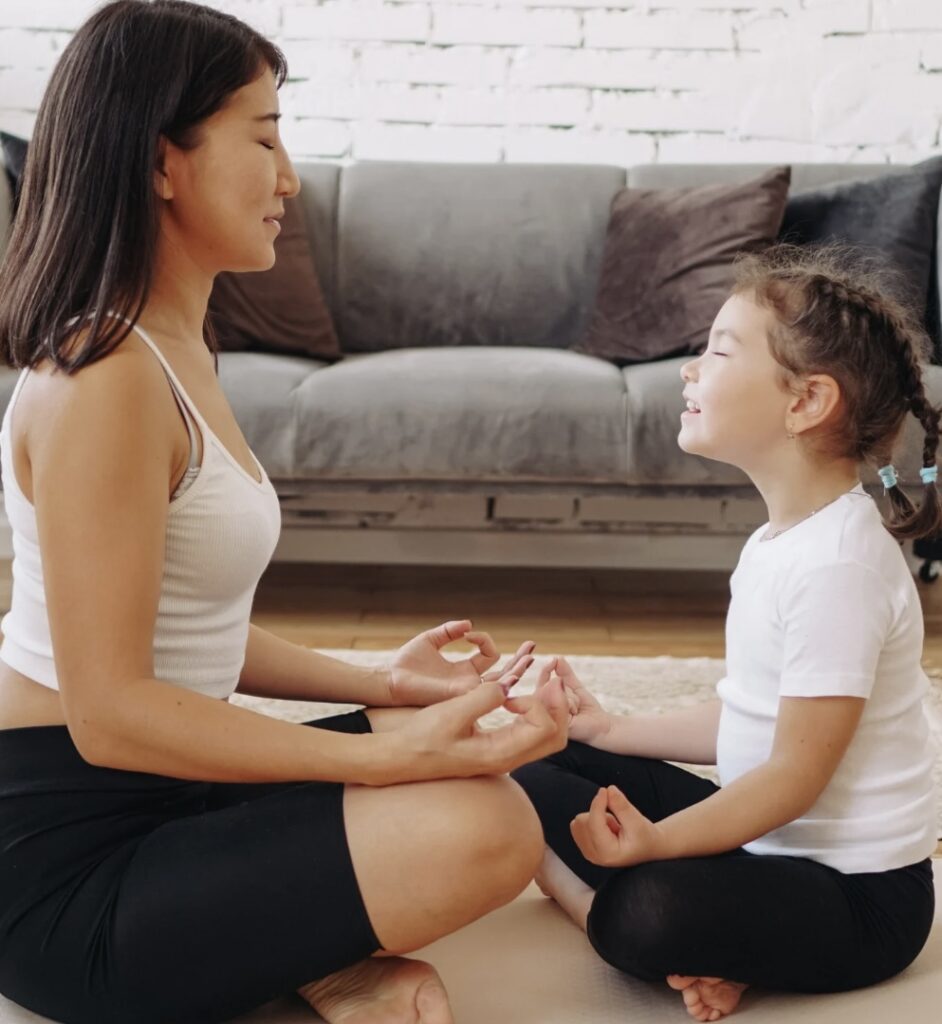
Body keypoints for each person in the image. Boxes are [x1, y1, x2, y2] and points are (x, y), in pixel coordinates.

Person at [0, 3, 569, 1023]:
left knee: (436, 730)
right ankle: (301, 955)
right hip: (64, 871)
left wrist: (382, 684)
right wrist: (378, 758)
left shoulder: (173, 348)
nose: (290, 179)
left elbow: (181, 626)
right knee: (485, 829)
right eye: (264, 138)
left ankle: (294, 951)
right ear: (162, 160)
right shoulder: (105, 381)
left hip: (169, 796)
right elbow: (110, 709)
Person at [513, 244, 941, 1022]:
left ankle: (595, 905)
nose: (689, 370)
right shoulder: (779, 543)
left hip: (859, 899)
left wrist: (658, 844)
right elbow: (756, 715)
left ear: (806, 401)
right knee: (535, 756)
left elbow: (793, 777)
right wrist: (609, 728)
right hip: (765, 846)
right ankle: (726, 945)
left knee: (648, 910)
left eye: (717, 351)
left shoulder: (839, 566)